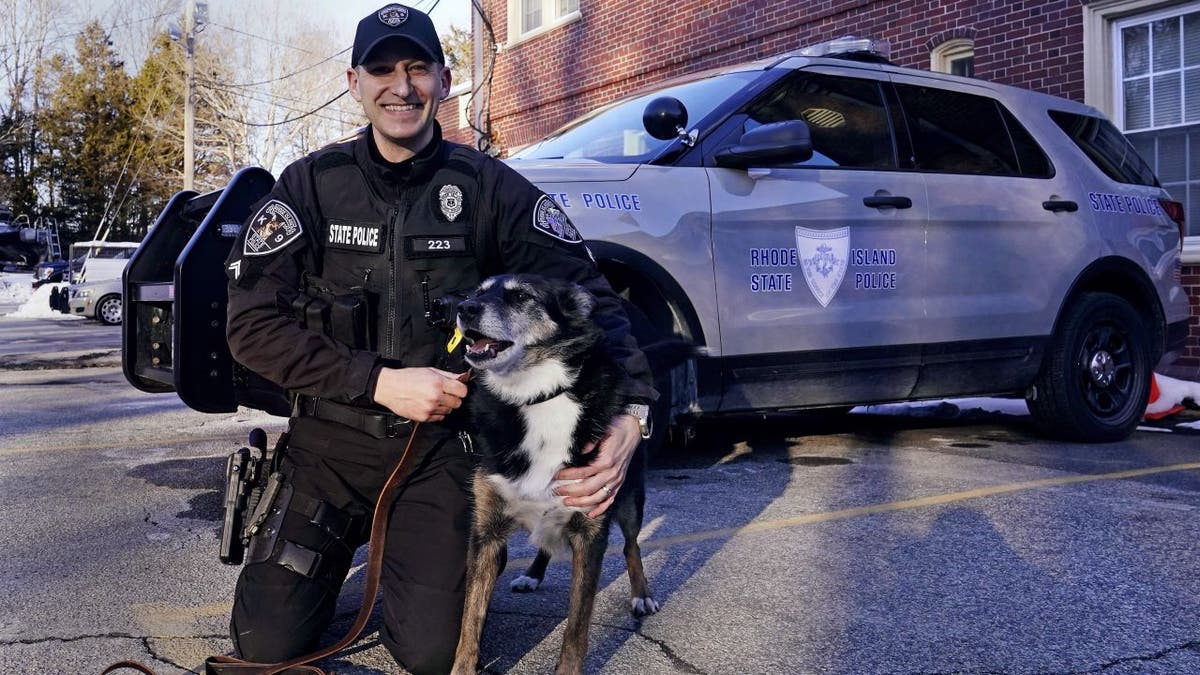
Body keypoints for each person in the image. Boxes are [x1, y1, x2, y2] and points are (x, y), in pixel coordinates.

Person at [221, 4, 656, 673]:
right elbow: (250, 327)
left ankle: (414, 554)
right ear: (354, 81)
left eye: (418, 68)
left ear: (445, 81)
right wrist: (377, 382)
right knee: (265, 646)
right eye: (383, 70)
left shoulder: (488, 189)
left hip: (440, 455)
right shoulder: (309, 186)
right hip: (326, 451)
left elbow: (589, 295)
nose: (402, 86)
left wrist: (633, 409)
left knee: (430, 656)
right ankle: (316, 552)